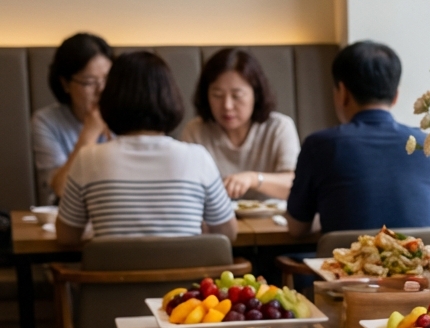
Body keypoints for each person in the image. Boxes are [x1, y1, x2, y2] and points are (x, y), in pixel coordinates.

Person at [56, 50, 237, 243]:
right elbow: (228, 233)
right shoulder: (197, 157)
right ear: (170, 96)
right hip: (185, 273)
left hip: (115, 273)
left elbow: (66, 237)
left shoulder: (88, 159)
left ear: (110, 99)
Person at [287, 41, 430, 235]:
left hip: (343, 264)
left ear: (343, 92)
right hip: (417, 265)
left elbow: (297, 228)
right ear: (395, 96)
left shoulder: (319, 146)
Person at [181, 47, 300, 200]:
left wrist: (253, 179)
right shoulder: (195, 131)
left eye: (237, 96)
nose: (227, 105)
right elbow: (185, 187)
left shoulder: (279, 127)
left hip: (271, 222)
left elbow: (295, 185)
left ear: (256, 94)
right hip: (215, 223)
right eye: (217, 95)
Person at [31, 33, 113, 204]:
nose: (101, 90)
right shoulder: (46, 121)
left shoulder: (126, 116)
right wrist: (89, 133)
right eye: (89, 82)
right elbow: (61, 188)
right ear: (65, 84)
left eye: (107, 79)